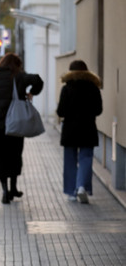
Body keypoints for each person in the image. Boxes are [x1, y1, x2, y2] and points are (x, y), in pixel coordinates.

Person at [0, 53, 44, 204]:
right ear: (17, 65)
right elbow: (38, 80)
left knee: (0, 157)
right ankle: (13, 188)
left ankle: (5, 190)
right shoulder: (19, 76)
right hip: (15, 123)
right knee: (14, 156)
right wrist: (31, 93)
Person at [56, 60, 102, 203]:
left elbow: (61, 111)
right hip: (88, 127)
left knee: (70, 160)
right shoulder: (93, 88)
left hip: (70, 129)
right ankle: (81, 186)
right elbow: (99, 110)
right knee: (86, 158)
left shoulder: (66, 89)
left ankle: (71, 192)